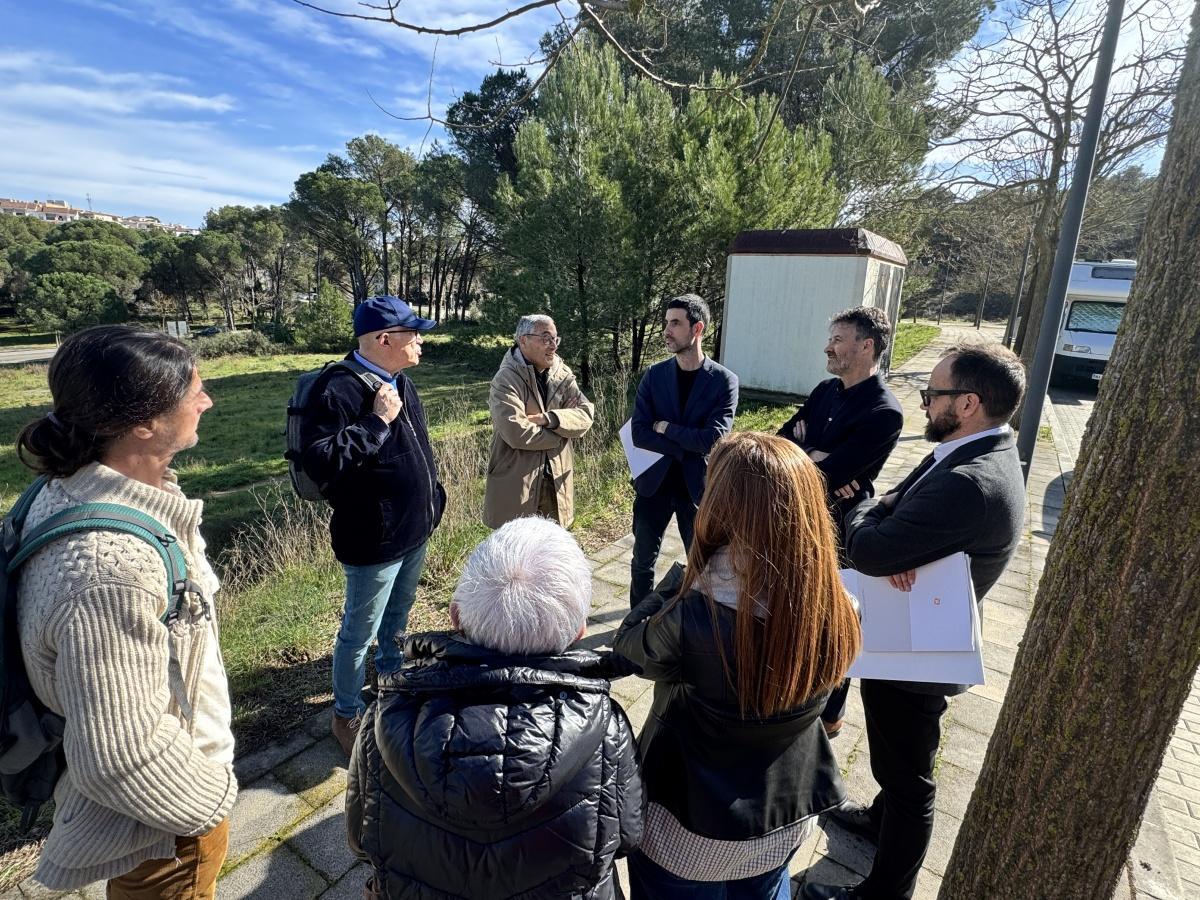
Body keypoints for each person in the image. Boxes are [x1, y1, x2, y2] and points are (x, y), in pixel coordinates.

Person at [14, 325, 236, 896]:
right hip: (163, 828)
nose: (208, 402)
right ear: (143, 423)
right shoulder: (109, 569)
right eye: (195, 392)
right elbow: (119, 754)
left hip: (159, 811)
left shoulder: (68, 487)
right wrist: (213, 799)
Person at [801, 342, 1027, 900]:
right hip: (912, 627)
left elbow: (872, 542)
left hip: (915, 654)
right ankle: (880, 821)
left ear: (968, 402)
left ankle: (886, 891)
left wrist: (869, 515)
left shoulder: (970, 481)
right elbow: (890, 511)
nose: (925, 404)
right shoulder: (966, 450)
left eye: (934, 394)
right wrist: (885, 524)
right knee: (895, 761)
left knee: (910, 783)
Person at [614, 431, 862, 900]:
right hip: (787, 815)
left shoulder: (693, 615)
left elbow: (629, 647)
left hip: (689, 832)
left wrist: (683, 577)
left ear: (723, 508)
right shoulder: (840, 606)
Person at [346, 516, 643, 898]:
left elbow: (358, 838)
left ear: (455, 618)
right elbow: (630, 836)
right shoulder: (605, 726)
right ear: (578, 634)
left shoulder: (385, 720)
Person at [299, 295, 446, 756]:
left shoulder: (401, 380)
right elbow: (322, 463)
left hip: (413, 529)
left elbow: (417, 448)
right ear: (385, 339)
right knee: (358, 631)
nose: (421, 341)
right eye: (413, 333)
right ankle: (345, 712)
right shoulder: (336, 389)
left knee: (398, 617)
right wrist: (377, 421)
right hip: (374, 539)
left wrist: (434, 498)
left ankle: (390, 678)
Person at [777, 306, 903, 738]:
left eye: (838, 339)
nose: (828, 346)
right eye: (830, 337)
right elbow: (782, 442)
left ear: (866, 346)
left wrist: (813, 457)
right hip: (796, 519)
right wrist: (814, 459)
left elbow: (828, 474)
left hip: (840, 531)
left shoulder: (886, 412)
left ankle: (830, 714)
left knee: (837, 619)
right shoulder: (824, 391)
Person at [629, 294, 738, 607]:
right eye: (666, 323)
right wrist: (684, 445)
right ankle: (634, 626)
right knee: (641, 562)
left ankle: (695, 623)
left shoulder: (724, 381)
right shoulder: (654, 376)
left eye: (675, 323)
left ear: (698, 328)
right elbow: (639, 433)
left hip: (698, 489)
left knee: (702, 565)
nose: (667, 330)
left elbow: (714, 439)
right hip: (654, 486)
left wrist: (666, 429)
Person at [483, 314, 594, 528]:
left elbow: (586, 415)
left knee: (553, 551)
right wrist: (563, 432)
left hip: (556, 482)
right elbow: (517, 433)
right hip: (517, 486)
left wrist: (549, 418)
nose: (553, 346)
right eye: (545, 338)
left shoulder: (562, 373)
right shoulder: (506, 379)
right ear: (523, 340)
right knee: (516, 553)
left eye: (555, 339)